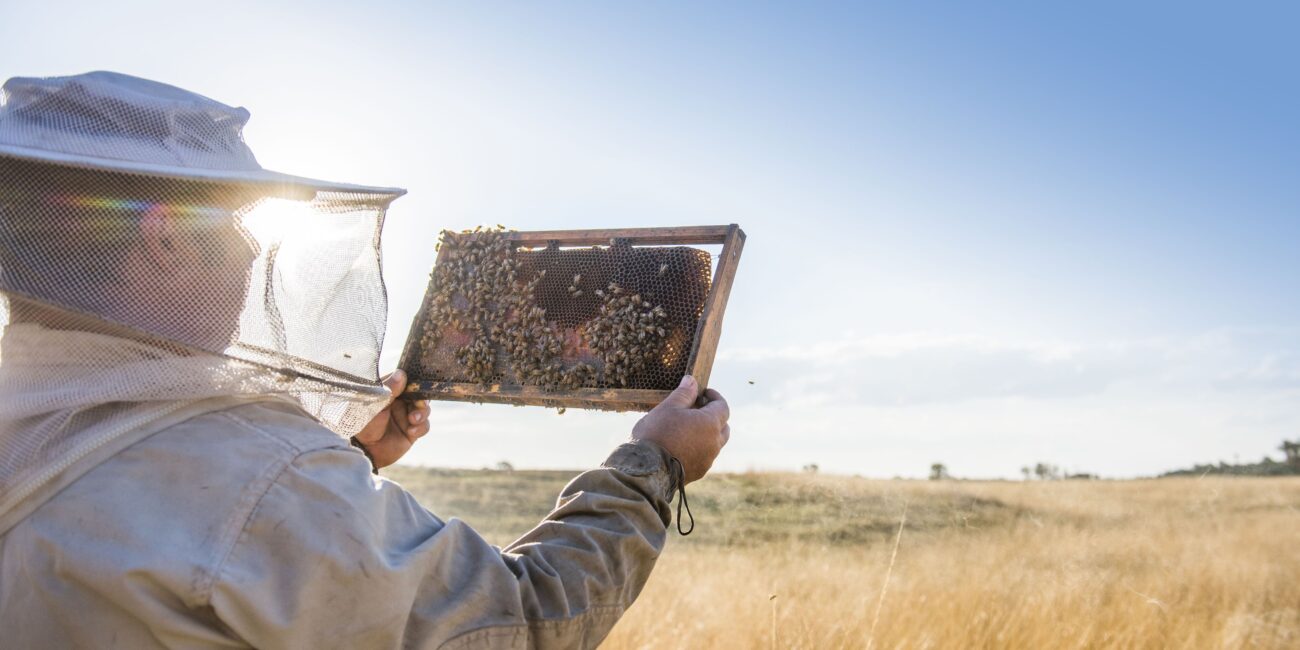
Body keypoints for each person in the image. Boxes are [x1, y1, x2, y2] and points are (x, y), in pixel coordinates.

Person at [0, 71, 730, 649]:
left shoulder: (28, 427)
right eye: (236, 226)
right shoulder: (264, 481)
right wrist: (650, 469)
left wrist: (352, 457)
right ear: (165, 239)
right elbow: (518, 626)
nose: (254, 252)